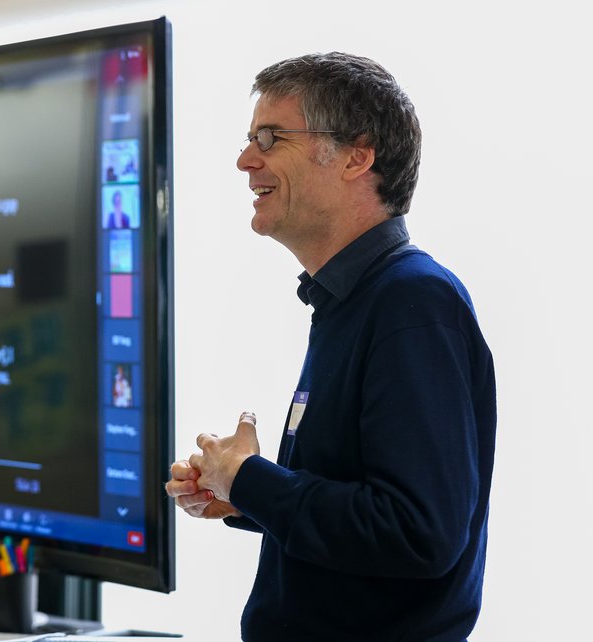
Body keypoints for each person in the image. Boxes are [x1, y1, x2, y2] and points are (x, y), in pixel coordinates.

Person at [165, 52, 496, 642]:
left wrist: (253, 482)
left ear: (357, 155)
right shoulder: (354, 299)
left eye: (270, 138)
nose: (245, 161)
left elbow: (416, 533)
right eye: (247, 140)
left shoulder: (413, 305)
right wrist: (241, 494)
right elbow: (360, 509)